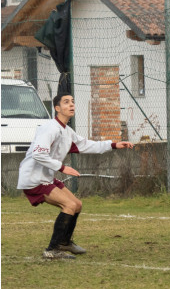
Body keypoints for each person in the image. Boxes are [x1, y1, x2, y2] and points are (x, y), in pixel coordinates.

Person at [17, 93, 134, 259]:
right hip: (33, 178)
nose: (71, 105)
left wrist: (114, 145)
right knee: (69, 206)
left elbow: (87, 145)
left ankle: (64, 242)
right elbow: (38, 154)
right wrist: (63, 168)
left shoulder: (67, 131)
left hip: (46, 177)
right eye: (66, 102)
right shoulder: (49, 128)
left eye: (72, 101)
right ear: (57, 108)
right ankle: (52, 250)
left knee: (77, 205)